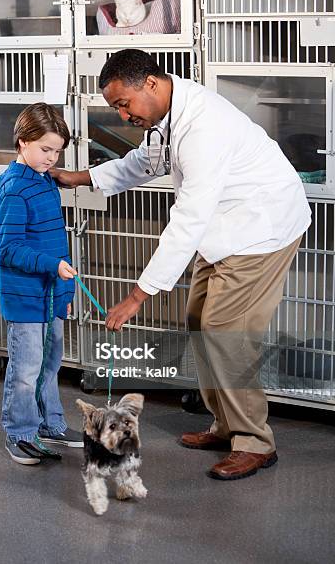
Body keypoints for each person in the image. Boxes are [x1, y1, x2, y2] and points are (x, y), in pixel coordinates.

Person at [51, 49, 311, 481]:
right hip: (227, 228)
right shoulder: (167, 115)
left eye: (123, 104)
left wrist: (138, 295)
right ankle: (225, 424)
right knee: (199, 321)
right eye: (115, 107)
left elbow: (188, 219)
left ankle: (254, 442)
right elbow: (146, 162)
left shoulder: (202, 128)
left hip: (261, 228)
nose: (122, 113)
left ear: (150, 84)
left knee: (226, 332)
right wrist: (84, 177)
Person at [0, 102, 83, 465]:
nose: (51, 158)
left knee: (50, 365)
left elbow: (53, 242)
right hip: (27, 299)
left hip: (50, 295)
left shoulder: (44, 180)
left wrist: (64, 292)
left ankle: (51, 424)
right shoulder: (15, 188)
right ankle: (20, 433)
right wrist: (52, 267)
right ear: (22, 142)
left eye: (57, 151)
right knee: (26, 370)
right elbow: (9, 249)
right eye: (45, 149)